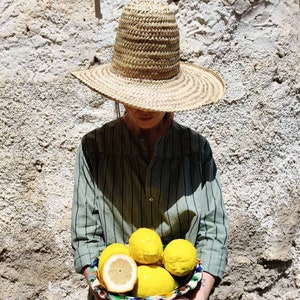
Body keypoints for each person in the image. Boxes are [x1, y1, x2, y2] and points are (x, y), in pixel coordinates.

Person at [71, 0, 229, 299]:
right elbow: (85, 234)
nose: (144, 107)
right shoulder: (94, 149)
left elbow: (213, 229)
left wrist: (200, 292)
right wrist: (105, 286)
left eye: (154, 96)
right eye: (134, 96)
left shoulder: (196, 150)